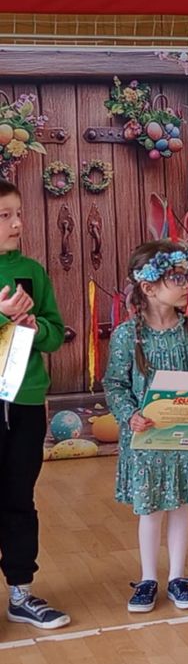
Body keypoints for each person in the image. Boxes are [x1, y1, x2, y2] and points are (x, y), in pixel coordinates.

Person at [103, 241, 188, 613]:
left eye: (187, 277)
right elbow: (114, 384)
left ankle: (178, 578)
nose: (187, 285)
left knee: (180, 505)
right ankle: (148, 578)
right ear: (149, 287)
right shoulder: (127, 335)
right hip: (146, 439)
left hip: (183, 438)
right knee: (150, 509)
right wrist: (129, 415)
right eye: (176, 278)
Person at [0, 180, 69, 630]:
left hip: (25, 400)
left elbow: (55, 332)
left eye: (18, 213)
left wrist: (32, 326)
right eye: (4, 216)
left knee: (19, 497)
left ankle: (21, 593)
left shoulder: (31, 271)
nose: (17, 223)